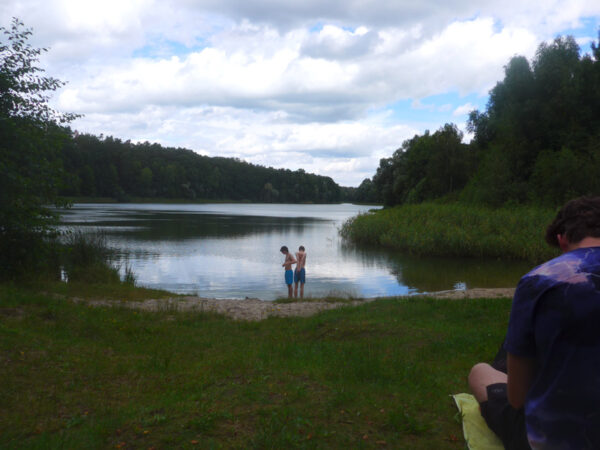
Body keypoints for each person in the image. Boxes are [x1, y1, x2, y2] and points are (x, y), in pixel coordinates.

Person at [468, 196, 600, 449]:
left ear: (561, 240)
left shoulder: (539, 280)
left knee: (480, 372)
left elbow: (517, 399)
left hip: (553, 439)